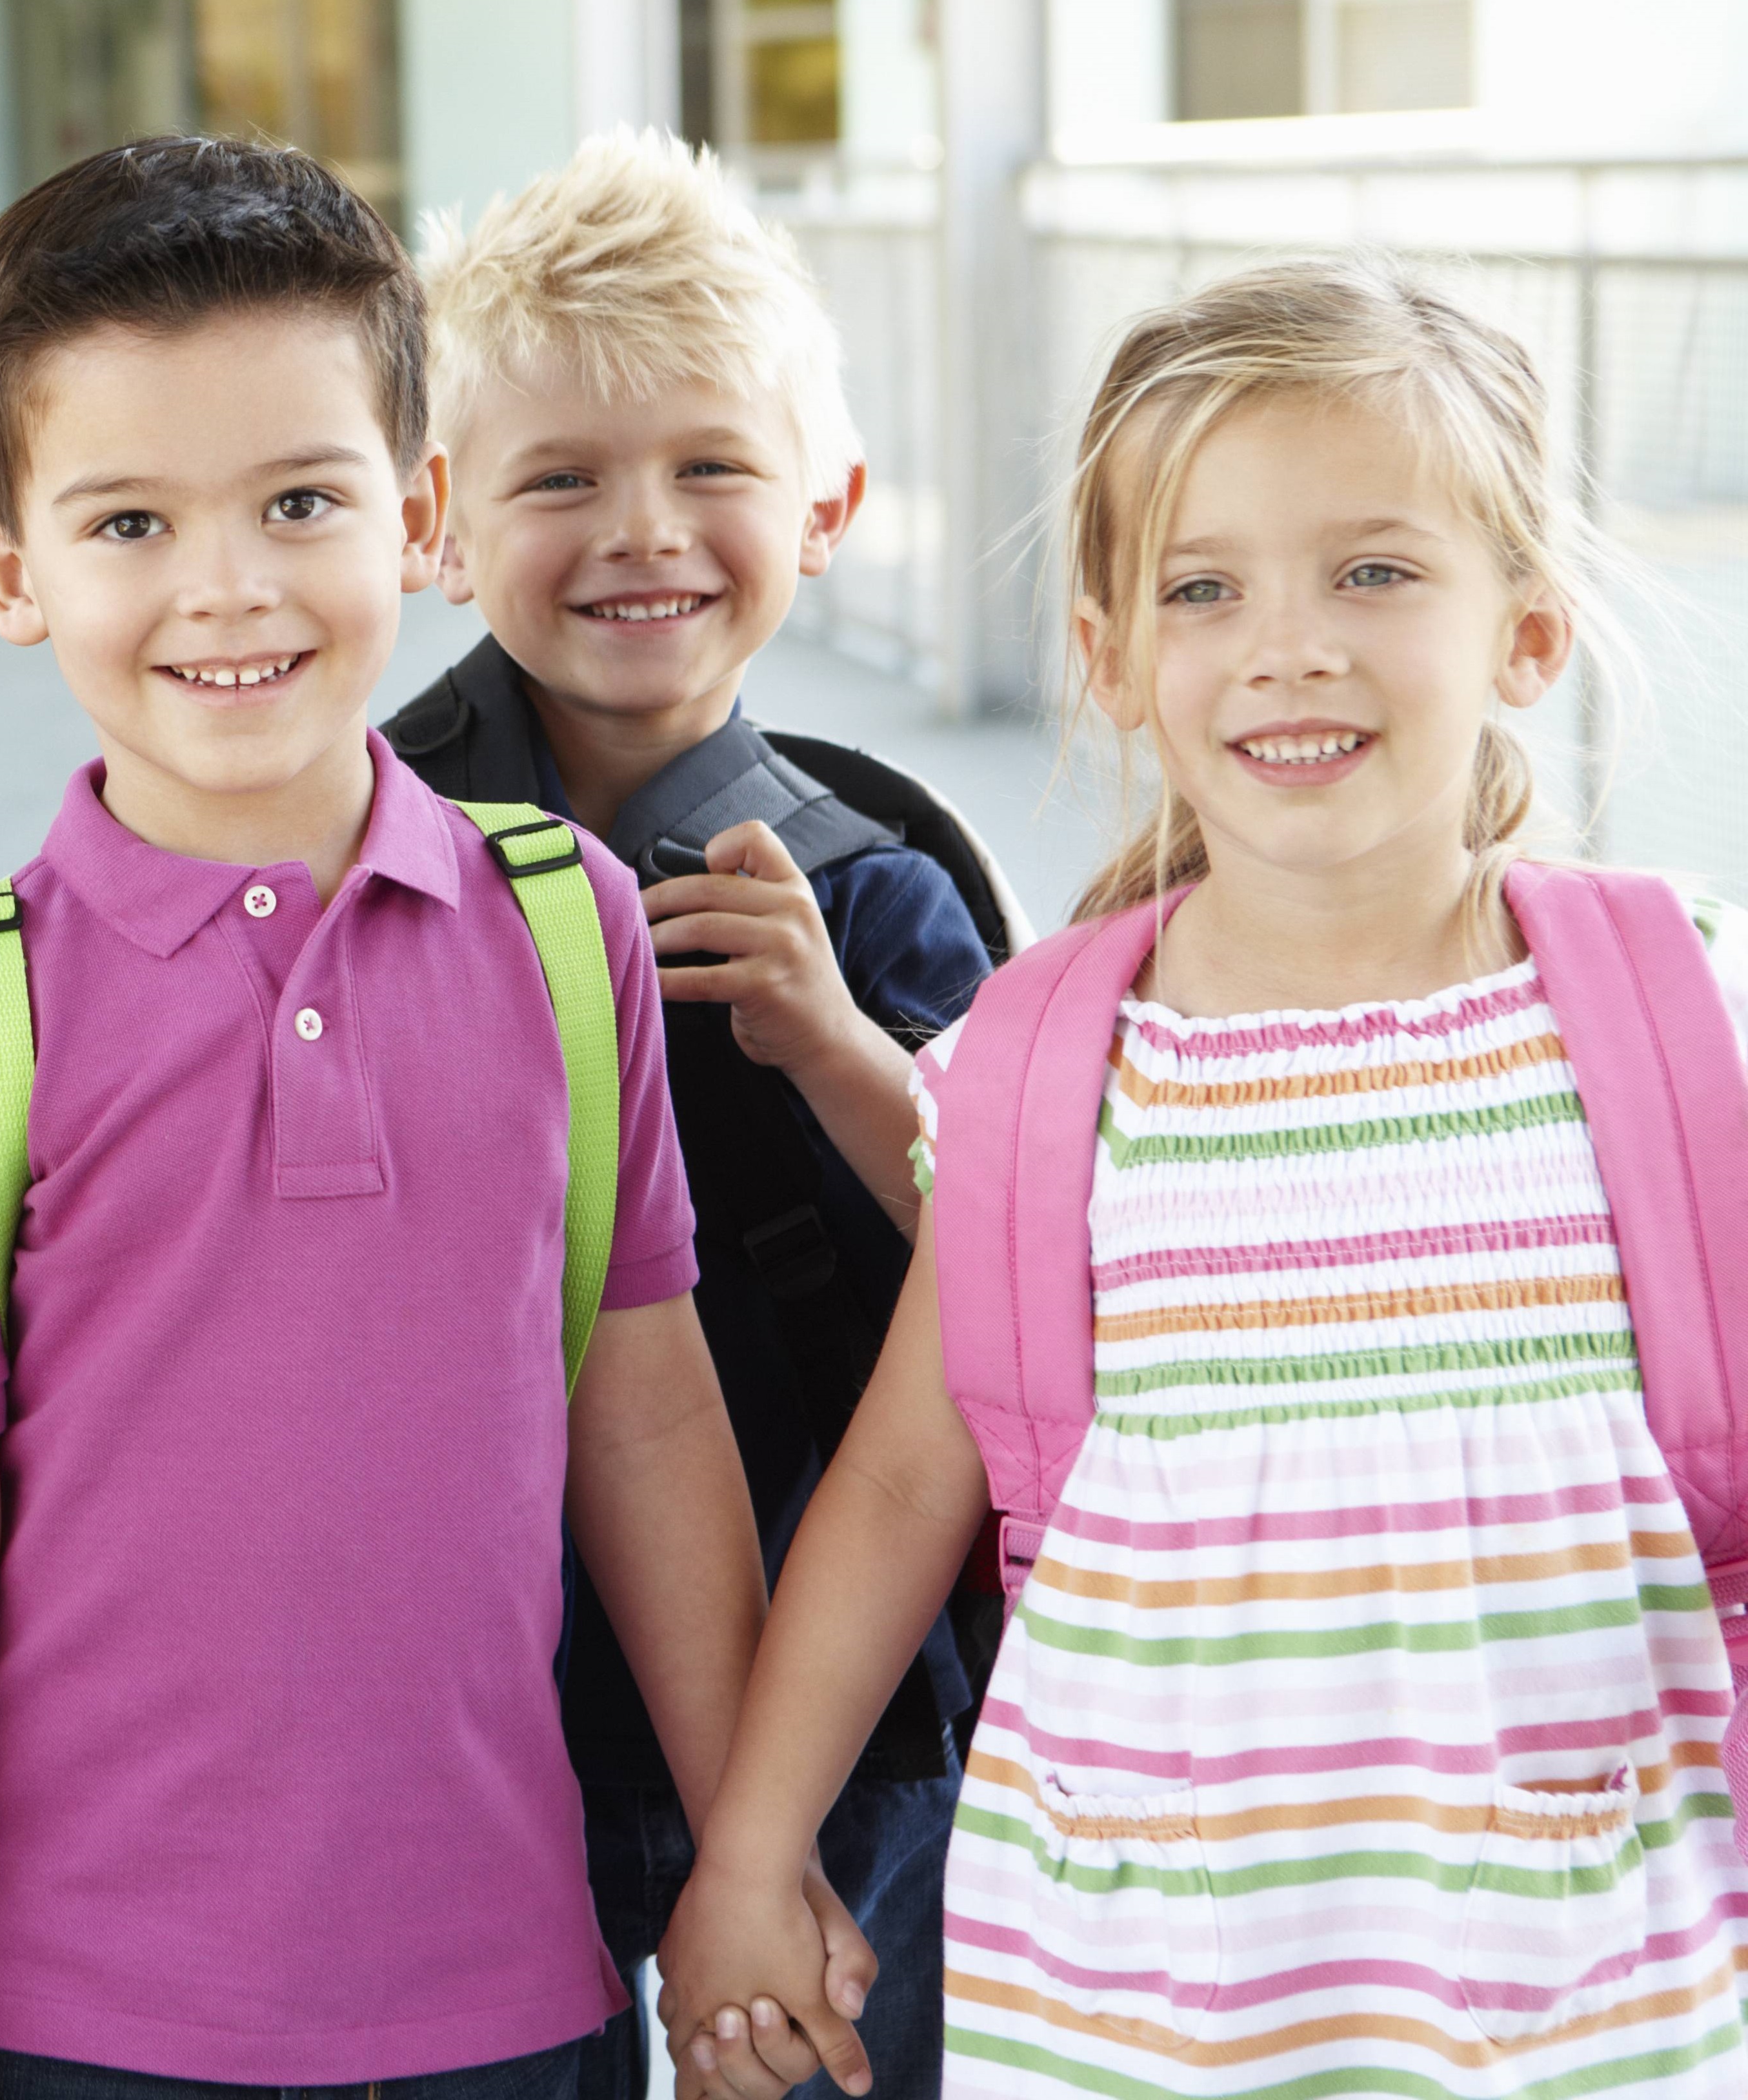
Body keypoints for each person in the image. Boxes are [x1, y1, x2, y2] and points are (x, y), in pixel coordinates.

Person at [0, 137, 865, 2100]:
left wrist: (746, 1854)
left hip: (514, 1998)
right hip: (64, 2018)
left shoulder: (565, 931)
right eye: (129, 524)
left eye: (301, 499)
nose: (231, 588)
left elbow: (646, 1408)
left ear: (419, 515)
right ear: (9, 573)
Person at [655, 259, 1748, 2100]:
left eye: (1377, 573)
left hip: (1599, 1967)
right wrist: (751, 1858)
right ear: (1111, 655)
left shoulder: (1677, 1018)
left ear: (1528, 635)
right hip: (1146, 1986)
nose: (1289, 645)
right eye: (1203, 587)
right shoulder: (1045, 1065)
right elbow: (907, 1479)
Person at [384, 130, 1001, 2100]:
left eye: (709, 468)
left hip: (845, 1690)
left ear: (826, 507)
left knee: (824, 2057)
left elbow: (1012, 1250)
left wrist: (835, 1040)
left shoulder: (878, 875)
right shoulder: (362, 848)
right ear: (439, 523)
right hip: (487, 1693)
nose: (642, 530)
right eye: (559, 478)